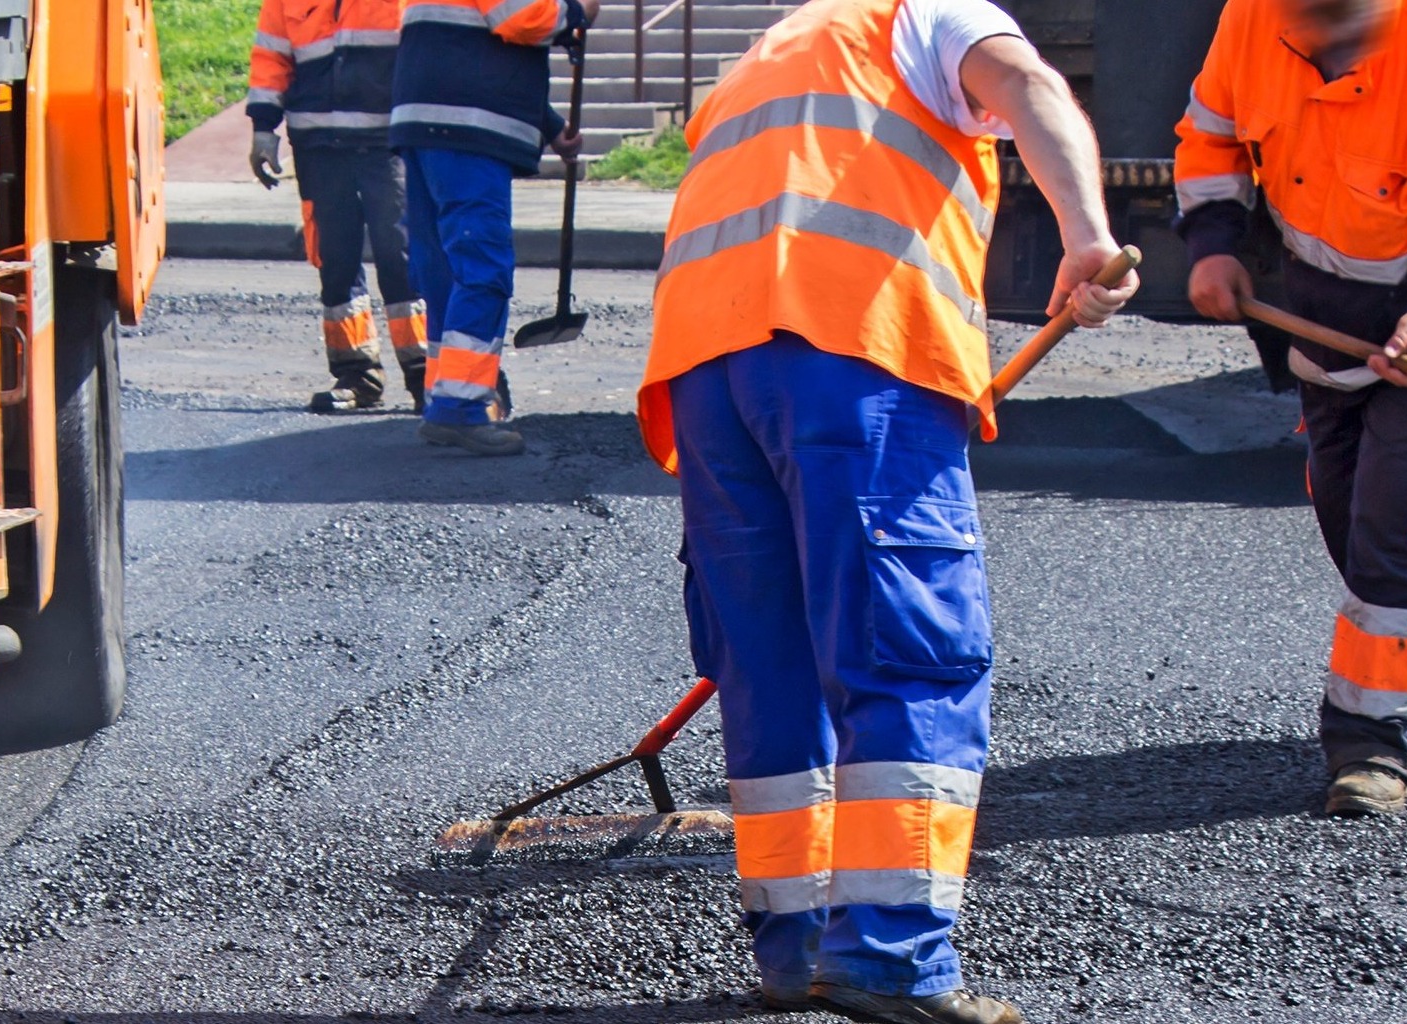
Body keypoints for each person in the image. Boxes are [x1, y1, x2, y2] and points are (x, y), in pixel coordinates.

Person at [636, 1, 1138, 1021]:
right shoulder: (932, 15)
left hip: (708, 371)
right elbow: (1031, 88)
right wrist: (1087, 234)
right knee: (909, 649)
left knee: (769, 661)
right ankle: (891, 955)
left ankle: (797, 943)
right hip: (851, 350)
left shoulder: (770, 52)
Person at [1178, 0, 1407, 817]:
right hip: (1324, 332)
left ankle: (1372, 749)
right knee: (1341, 511)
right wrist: (1215, 244)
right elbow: (1211, 137)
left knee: (1391, 536)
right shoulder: (1252, 19)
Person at [392, 0, 597, 455]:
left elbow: (467, 47)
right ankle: (460, 409)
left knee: (445, 270)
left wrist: (548, 125)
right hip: (465, 128)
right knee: (482, 268)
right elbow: (522, 16)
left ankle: (445, 400)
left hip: (426, 120)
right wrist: (578, 12)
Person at [248, 0, 429, 413]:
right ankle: (356, 374)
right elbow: (272, 55)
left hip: (389, 144)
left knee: (402, 254)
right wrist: (262, 127)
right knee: (336, 258)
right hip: (319, 147)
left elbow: (428, 49)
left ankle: (424, 372)